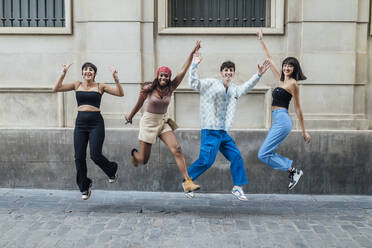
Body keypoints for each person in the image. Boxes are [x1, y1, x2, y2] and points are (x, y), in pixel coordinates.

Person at [187, 50, 271, 200]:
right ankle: (187, 181)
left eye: (231, 71)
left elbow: (246, 87)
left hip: (222, 132)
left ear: (233, 73)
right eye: (226, 70)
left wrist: (258, 75)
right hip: (210, 129)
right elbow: (194, 83)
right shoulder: (211, 84)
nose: (228, 73)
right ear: (221, 72)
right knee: (206, 161)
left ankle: (237, 187)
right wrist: (194, 65)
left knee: (236, 156)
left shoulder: (234, 89)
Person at [125, 41, 201, 197]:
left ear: (169, 77)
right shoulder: (148, 89)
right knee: (144, 159)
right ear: (157, 76)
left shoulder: (171, 88)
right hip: (148, 123)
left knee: (177, 149)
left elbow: (183, 70)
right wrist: (130, 117)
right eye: (161, 75)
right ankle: (135, 156)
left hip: (162, 122)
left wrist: (193, 52)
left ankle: (187, 181)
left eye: (166, 75)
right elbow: (138, 104)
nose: (164, 77)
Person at [53, 62, 124, 200]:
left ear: (94, 74)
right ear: (82, 73)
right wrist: (63, 73)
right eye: (85, 69)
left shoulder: (100, 86)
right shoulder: (76, 85)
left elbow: (120, 93)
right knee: (79, 157)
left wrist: (116, 78)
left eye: (91, 70)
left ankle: (112, 170)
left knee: (95, 154)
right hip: (80, 124)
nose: (88, 71)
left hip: (96, 123)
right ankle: (84, 186)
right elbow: (56, 88)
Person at [256, 30, 311, 190]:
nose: (287, 67)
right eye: (286, 65)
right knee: (265, 153)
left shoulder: (293, 84)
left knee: (262, 154)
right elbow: (269, 59)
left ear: (294, 69)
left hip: (283, 120)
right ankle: (293, 171)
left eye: (290, 66)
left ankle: (293, 171)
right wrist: (261, 40)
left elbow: (299, 109)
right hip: (277, 119)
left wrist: (303, 131)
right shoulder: (280, 79)